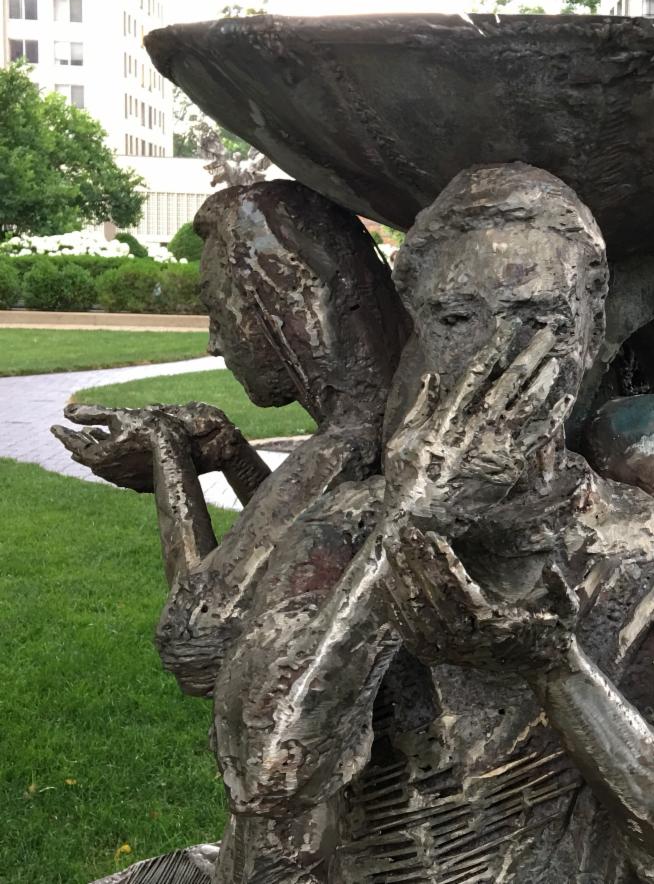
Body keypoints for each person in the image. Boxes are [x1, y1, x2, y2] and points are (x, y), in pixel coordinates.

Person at [209, 163, 654, 883]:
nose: (496, 356)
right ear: (420, 333)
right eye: (456, 320)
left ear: (588, 337)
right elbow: (264, 777)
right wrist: (414, 523)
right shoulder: (347, 529)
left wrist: (557, 670)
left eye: (538, 322)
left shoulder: (651, 555)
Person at [53, 180, 407, 698]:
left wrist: (165, 450)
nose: (215, 343)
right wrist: (232, 454)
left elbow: (196, 642)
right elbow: (292, 545)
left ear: (282, 314)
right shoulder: (380, 416)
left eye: (221, 315)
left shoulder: (347, 446)